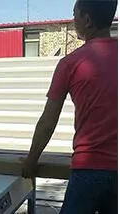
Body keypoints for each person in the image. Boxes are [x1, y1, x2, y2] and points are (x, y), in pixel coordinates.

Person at [22, 0, 118, 213]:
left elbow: (48, 122)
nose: (73, 20)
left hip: (89, 170)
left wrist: (31, 162)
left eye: (75, 15)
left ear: (87, 19)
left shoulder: (71, 63)